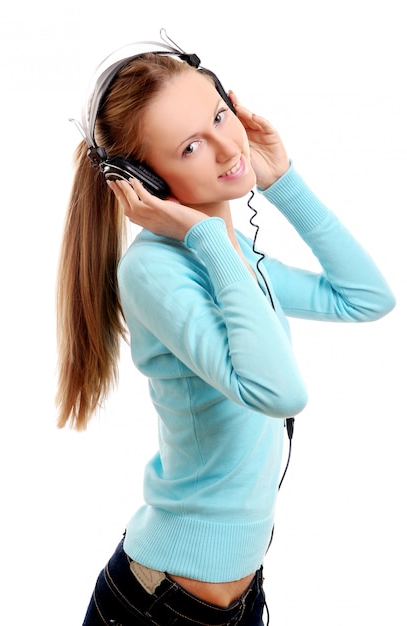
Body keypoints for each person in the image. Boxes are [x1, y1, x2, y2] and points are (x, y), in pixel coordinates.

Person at [56, 34, 396, 626]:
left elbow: (365, 298)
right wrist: (209, 238)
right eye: (190, 146)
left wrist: (283, 180)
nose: (224, 147)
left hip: (239, 595)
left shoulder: (232, 256)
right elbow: (280, 392)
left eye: (219, 116)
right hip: (164, 606)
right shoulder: (156, 271)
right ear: (145, 182)